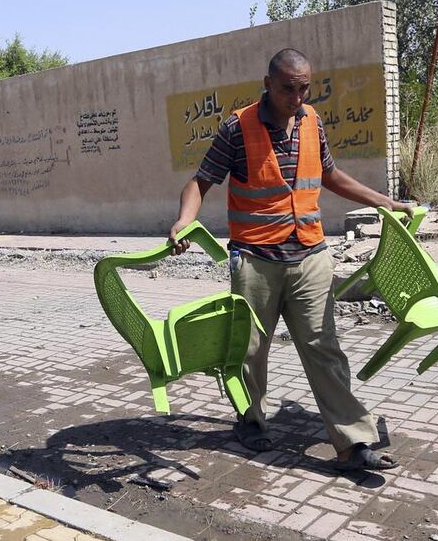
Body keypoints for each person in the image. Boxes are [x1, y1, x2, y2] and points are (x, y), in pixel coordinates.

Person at [169, 49, 413, 471]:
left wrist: (383, 201)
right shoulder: (237, 127)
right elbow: (200, 181)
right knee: (249, 351)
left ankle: (352, 443)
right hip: (256, 260)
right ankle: (250, 420)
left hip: (310, 256)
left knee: (324, 348)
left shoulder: (312, 121)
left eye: (304, 88)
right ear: (267, 84)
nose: (297, 97)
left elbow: (331, 175)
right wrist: (184, 221)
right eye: (288, 88)